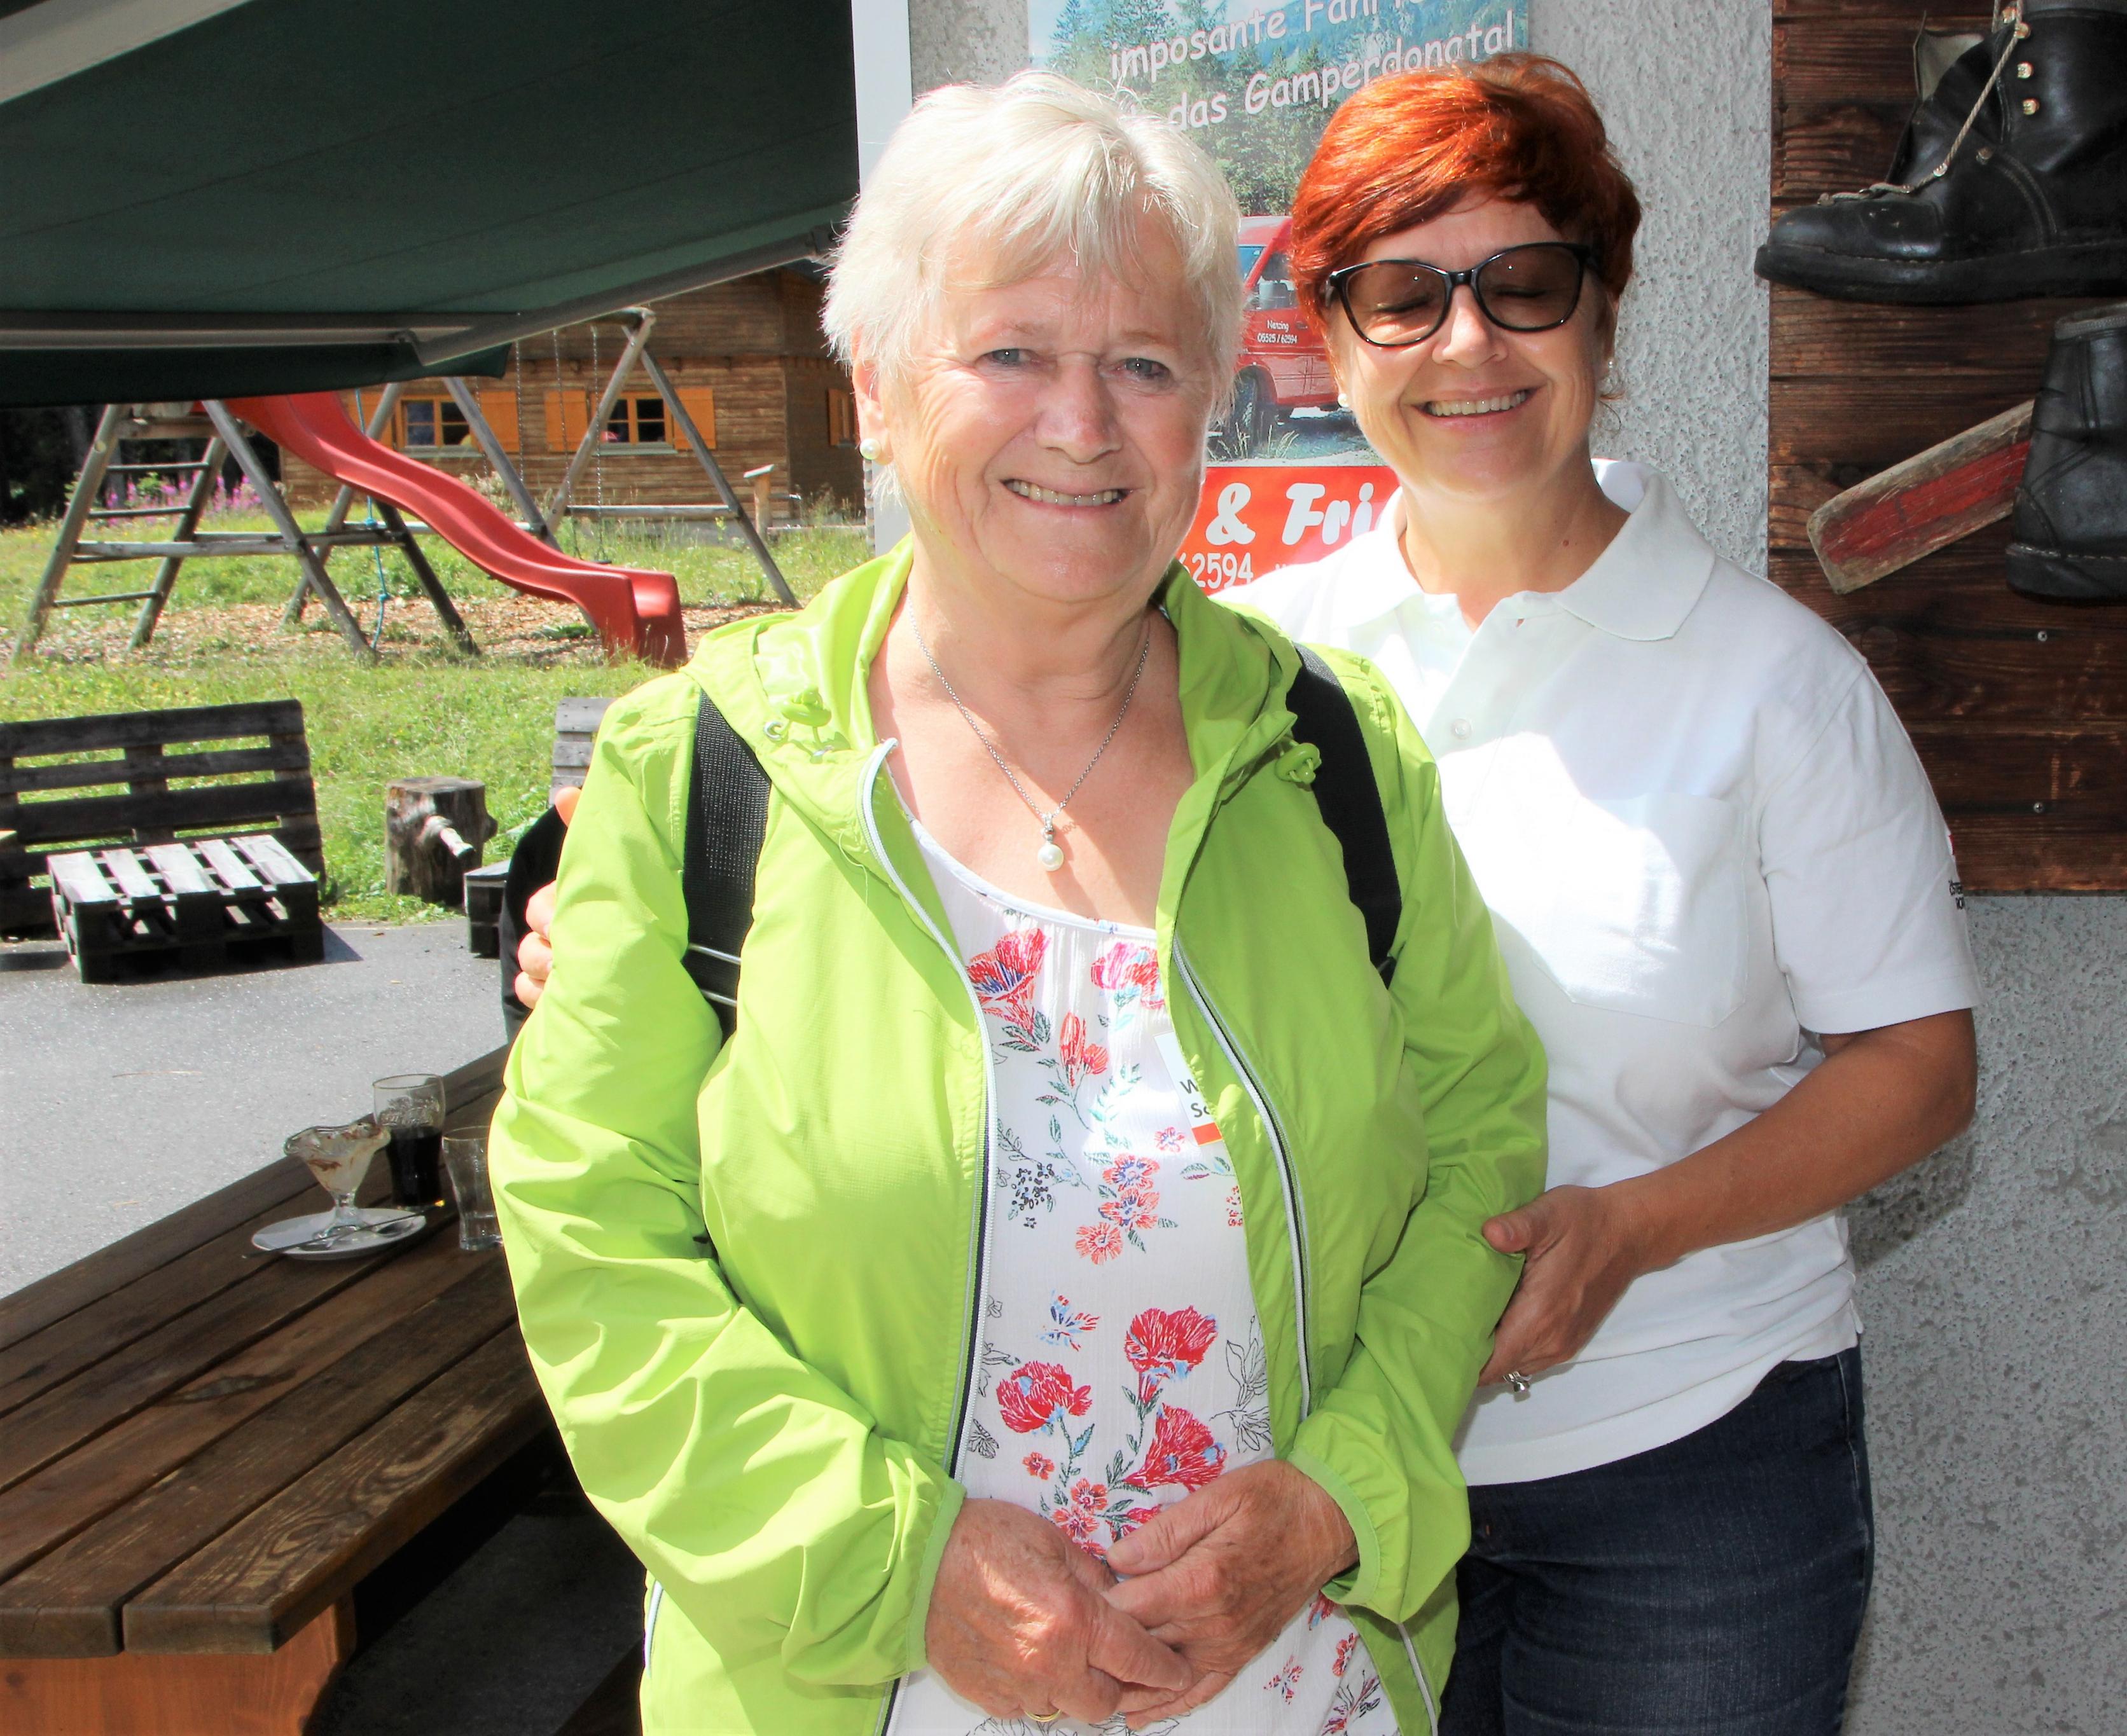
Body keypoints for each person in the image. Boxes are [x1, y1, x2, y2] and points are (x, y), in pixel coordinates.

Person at [486, 72, 1545, 1736]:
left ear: (1210, 408)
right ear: (875, 386)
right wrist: (899, 1566)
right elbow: (594, 1244)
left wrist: (1342, 1490)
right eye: (1010, 354)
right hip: (850, 1684)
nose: (1082, 424)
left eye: (1144, 365)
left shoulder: (1336, 757)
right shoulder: (702, 773)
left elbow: (1481, 1145)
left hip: (1299, 1691)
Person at [1224, 55, 1983, 1735]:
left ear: (1606, 312)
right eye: (1402, 296)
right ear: (1331, 339)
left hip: (1690, 1467)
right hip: (1336, 1463)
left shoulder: (1774, 682)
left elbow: (1921, 1066)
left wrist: (1633, 1229)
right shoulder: (1254, 671)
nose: (1468, 345)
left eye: (1525, 284)